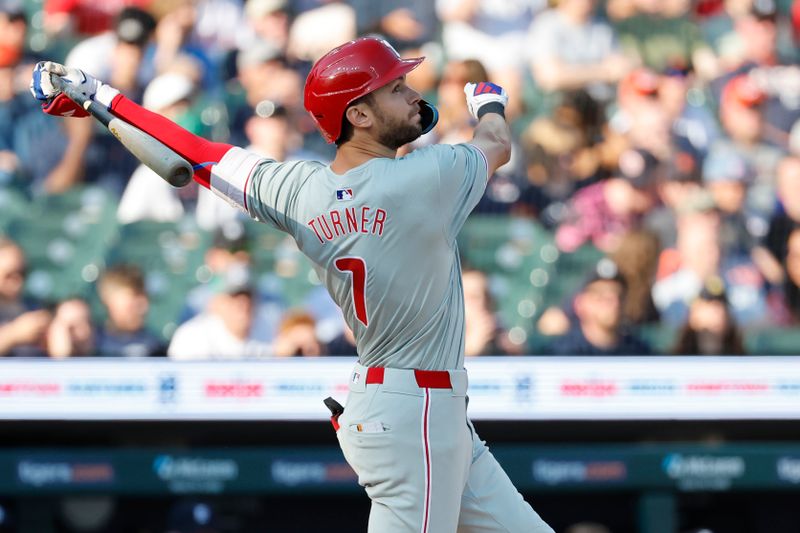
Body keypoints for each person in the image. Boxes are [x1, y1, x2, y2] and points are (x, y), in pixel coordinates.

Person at [30, 36, 553, 532]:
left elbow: (197, 154)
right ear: (360, 115)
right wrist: (488, 102)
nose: (413, 94)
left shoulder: (301, 189)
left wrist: (99, 98)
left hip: (412, 407)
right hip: (414, 409)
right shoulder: (429, 174)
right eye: (396, 88)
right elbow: (496, 143)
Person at [548, 258, 652, 355]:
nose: (614, 303)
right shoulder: (562, 353)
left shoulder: (639, 353)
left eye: (619, 296)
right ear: (579, 303)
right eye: (601, 296)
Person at [95, 264, 165, 357]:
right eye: (134, 297)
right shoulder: (89, 346)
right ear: (108, 299)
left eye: (145, 298)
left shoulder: (156, 349)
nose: (144, 307)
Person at [0, 237, 51, 357]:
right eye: (9, 274)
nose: (17, 281)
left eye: (22, 273)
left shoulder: (33, 307)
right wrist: (12, 334)